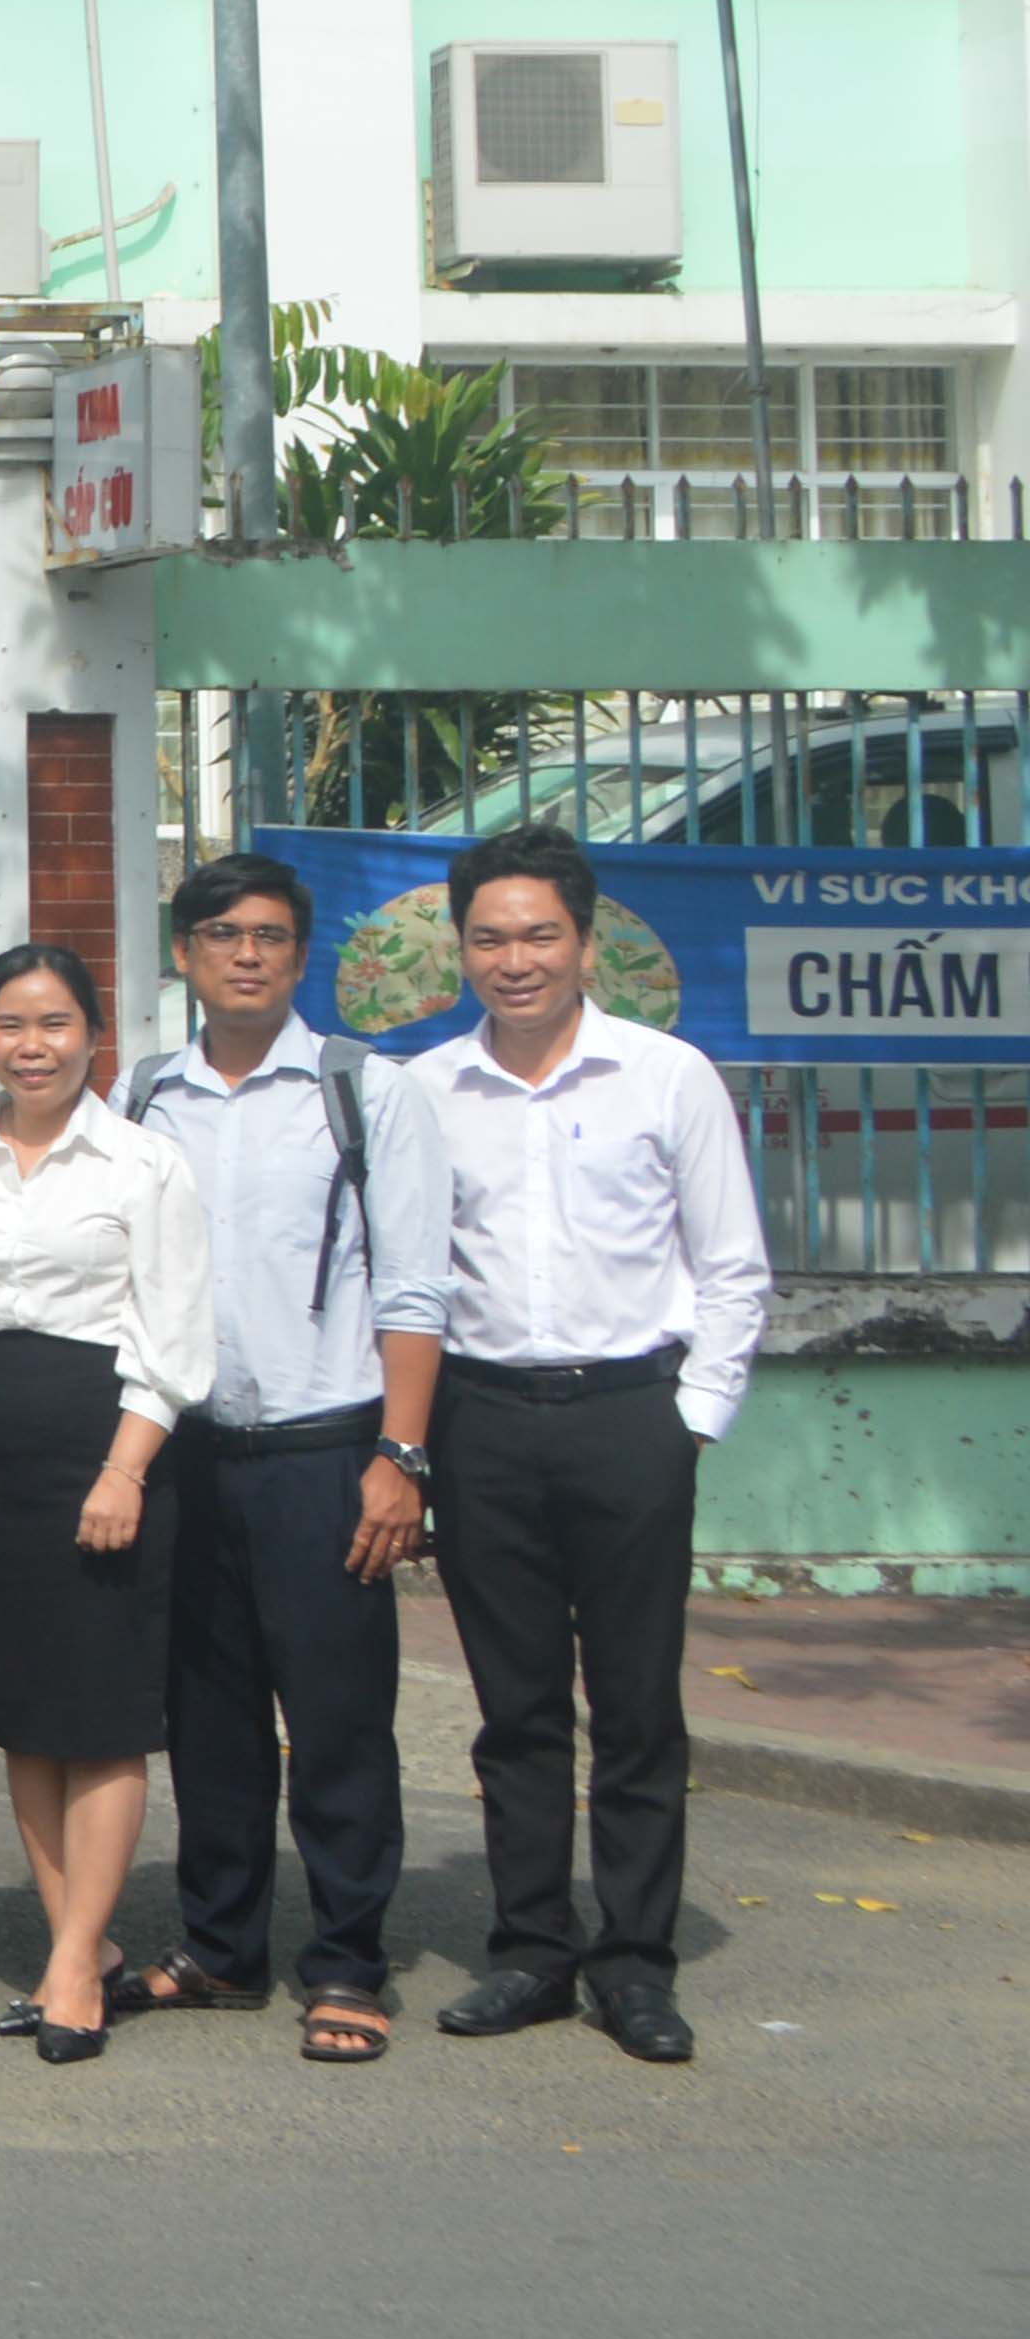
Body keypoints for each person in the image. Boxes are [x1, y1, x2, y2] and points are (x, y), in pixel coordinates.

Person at [414, 824, 768, 2071]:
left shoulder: (665, 1076)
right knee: (513, 1709)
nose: (514, 960)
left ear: (585, 939)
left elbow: (732, 1268)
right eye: (489, 938)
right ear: (460, 948)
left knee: (634, 1706)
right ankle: (529, 1948)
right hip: (480, 1422)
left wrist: (689, 1423)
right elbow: (406, 1275)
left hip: (630, 1418)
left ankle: (633, 1963)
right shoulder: (425, 1092)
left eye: (538, 935)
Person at [128, 851, 450, 2062]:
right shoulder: (147, 1096)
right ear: (186, 954)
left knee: (337, 1718)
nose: (246, 953)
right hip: (190, 1452)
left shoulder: (363, 1089)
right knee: (207, 1715)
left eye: (268, 934)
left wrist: (401, 1453)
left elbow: (413, 1284)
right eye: (222, 933)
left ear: (300, 956)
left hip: (326, 1452)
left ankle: (348, 1960)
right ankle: (219, 1943)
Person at [0, 940, 216, 2062]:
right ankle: (74, 1946)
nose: (31, 1045)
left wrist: (124, 1469)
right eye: (10, 1024)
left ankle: (76, 1963)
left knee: (101, 1717)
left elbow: (174, 1334)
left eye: (54, 1023)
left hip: (106, 1453)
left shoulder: (142, 1163)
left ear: (95, 1035)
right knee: (27, 1715)